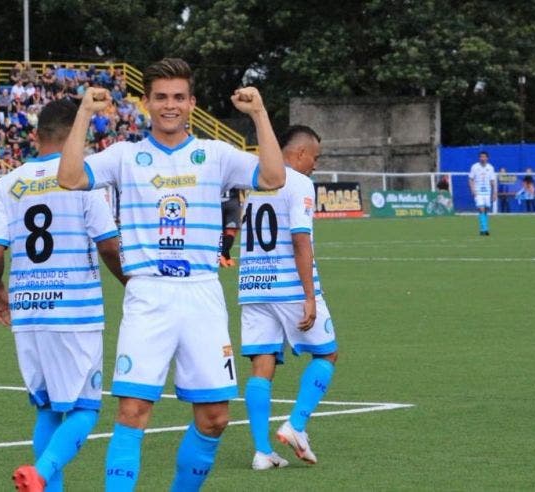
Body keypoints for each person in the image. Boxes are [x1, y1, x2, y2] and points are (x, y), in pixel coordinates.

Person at [57, 58, 286, 491]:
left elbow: (272, 177)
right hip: (148, 295)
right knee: (132, 413)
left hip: (202, 294)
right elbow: (69, 177)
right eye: (161, 97)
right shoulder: (126, 155)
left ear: (191, 103)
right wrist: (84, 113)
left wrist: (259, 114)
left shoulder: (214, 154)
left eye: (179, 97)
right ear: (146, 103)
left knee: (215, 417)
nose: (170, 105)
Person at [0, 99, 126, 492]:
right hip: (74, 312)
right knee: (85, 409)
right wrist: (133, 285)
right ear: (79, 135)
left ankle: (44, 482)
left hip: (28, 310)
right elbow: (109, 247)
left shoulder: (8, 183)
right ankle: (41, 473)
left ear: (36, 135)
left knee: (46, 407)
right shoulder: (83, 179)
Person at [238, 125, 337, 469]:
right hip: (288, 284)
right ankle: (295, 425)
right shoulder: (298, 182)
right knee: (327, 354)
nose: (315, 164)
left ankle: (262, 452)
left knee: (261, 365)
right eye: (315, 156)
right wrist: (309, 296)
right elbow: (300, 240)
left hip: (252, 284)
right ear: (298, 154)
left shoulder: (255, 180)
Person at [468, 151, 496, 235]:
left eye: (484, 157)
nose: (482, 158)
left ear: (487, 158)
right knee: (481, 209)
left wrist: (494, 192)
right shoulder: (474, 167)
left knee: (486, 210)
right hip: (478, 191)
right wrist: (472, 189)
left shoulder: (490, 167)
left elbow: (492, 181)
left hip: (487, 192)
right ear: (479, 158)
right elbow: (470, 179)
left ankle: (482, 228)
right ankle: (485, 229)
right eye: (481, 157)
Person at [219, 188, 240, 267]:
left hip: (217, 202)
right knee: (231, 232)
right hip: (232, 201)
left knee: (221, 232)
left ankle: (227, 258)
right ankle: (222, 254)